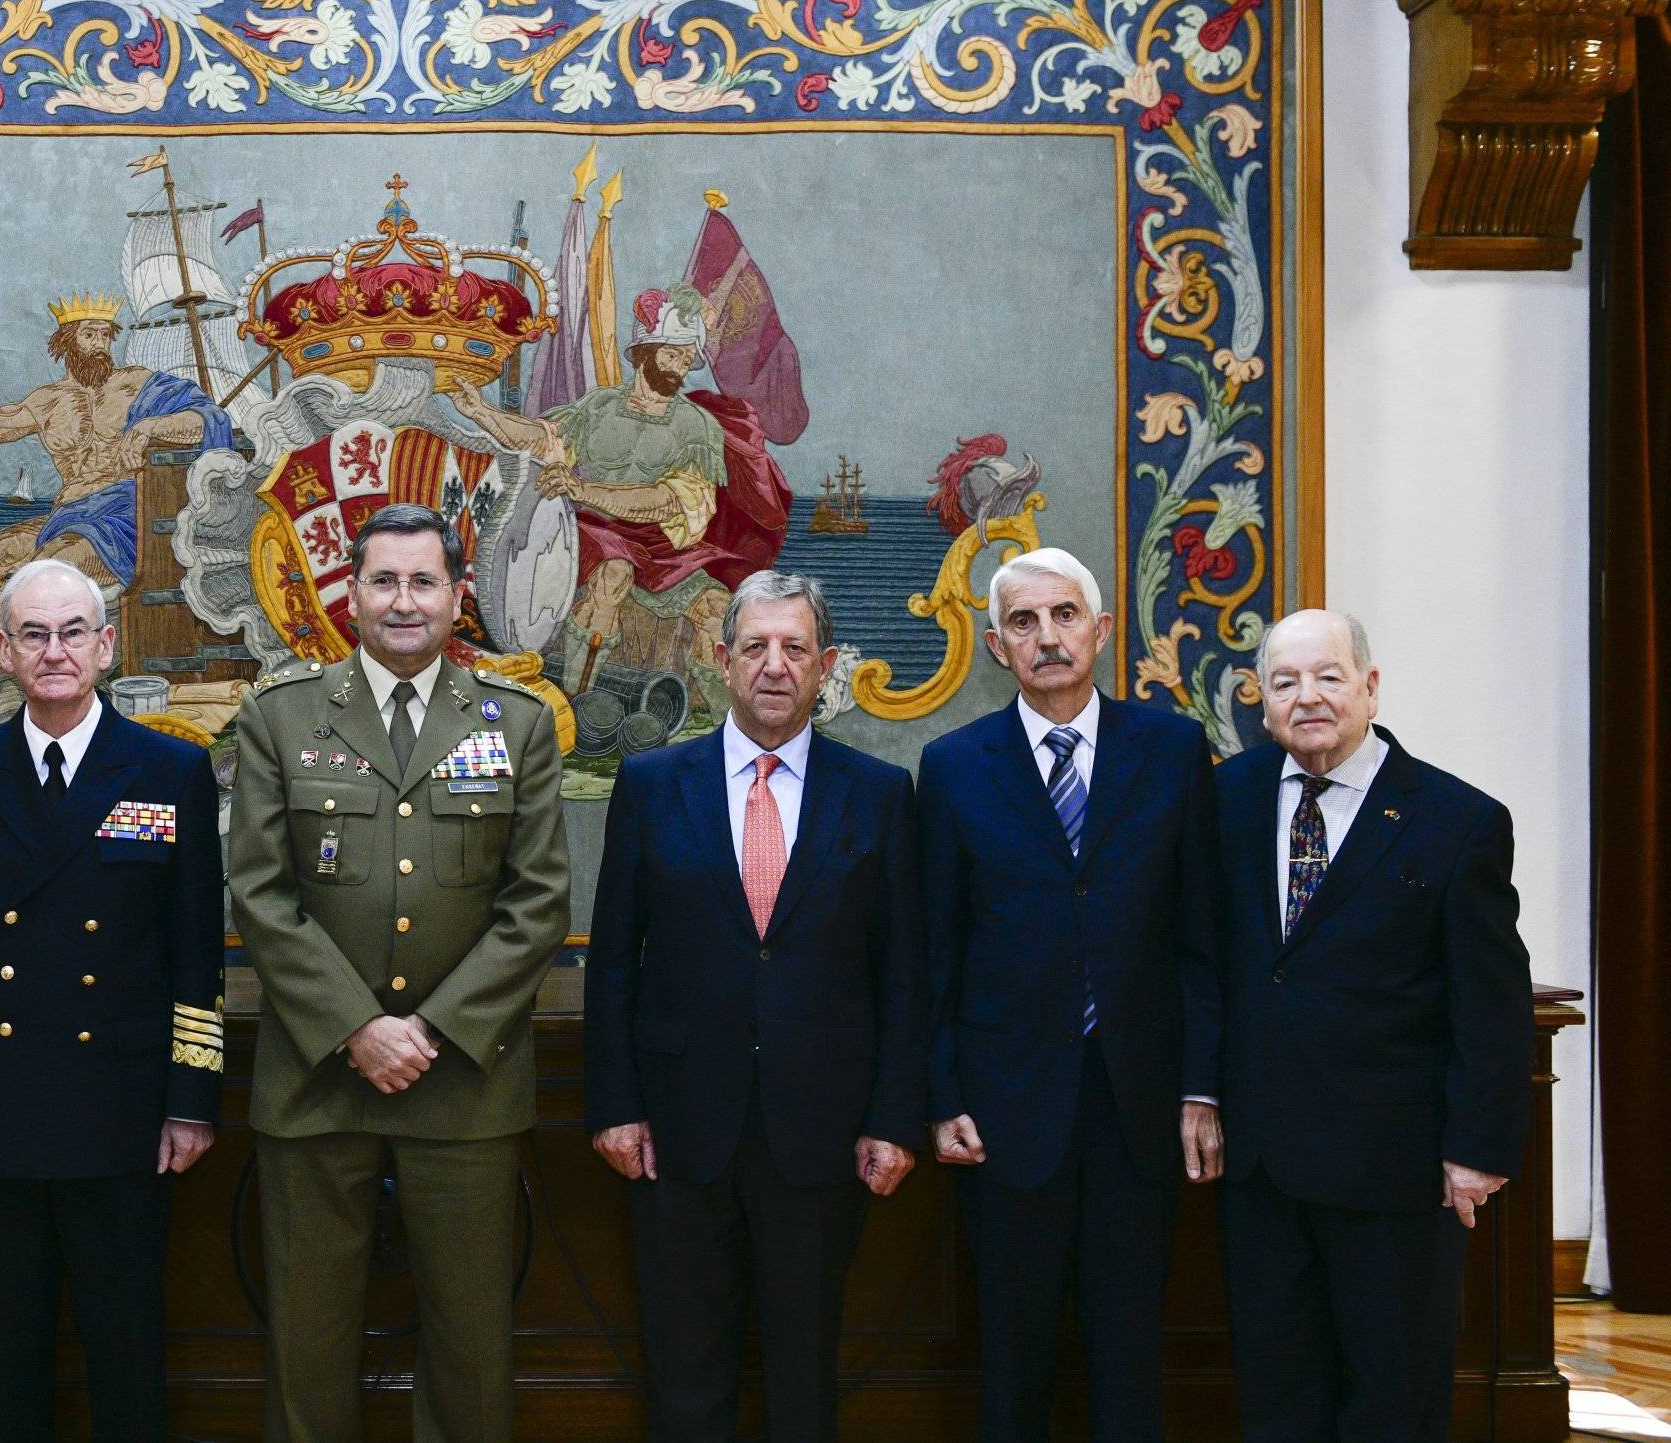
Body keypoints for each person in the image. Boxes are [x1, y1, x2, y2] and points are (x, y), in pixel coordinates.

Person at [227, 502, 572, 1443]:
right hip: (316, 1078)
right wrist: (356, 1026)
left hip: (463, 1080)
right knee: (306, 1342)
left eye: (425, 581)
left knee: (470, 1346)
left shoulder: (520, 723)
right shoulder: (281, 718)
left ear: (459, 596)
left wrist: (428, 1031)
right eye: (384, 580)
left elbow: (538, 902)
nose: (404, 601)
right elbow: (259, 894)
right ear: (353, 593)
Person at [584, 569, 926, 1442]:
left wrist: (894, 1117)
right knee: (685, 1373)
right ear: (719, 659)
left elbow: (903, 974)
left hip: (821, 1133)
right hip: (677, 1128)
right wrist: (616, 1105)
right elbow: (615, 960)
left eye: (796, 648)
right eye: (756, 646)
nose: (775, 665)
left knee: (803, 1374)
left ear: (827, 666)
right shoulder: (654, 783)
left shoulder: (881, 795)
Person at [0, 558, 227, 1440]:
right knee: (1, 1355)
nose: (54, 651)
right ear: (2, 651)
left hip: (121, 1109)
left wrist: (191, 1099)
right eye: (33, 634)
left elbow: (197, 950)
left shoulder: (168, 770)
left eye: (72, 632)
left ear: (106, 646)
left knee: (125, 1354)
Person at [916, 546, 1221, 1443]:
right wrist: (942, 1096)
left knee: (1129, 1348)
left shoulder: (1171, 748)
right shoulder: (956, 764)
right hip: (1005, 1108)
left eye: (1061, 616)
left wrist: (1201, 1084)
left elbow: (1202, 938)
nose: (1045, 637)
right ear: (997, 647)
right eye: (1021, 621)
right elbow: (937, 950)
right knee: (1013, 1350)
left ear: (1098, 629)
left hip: (1138, 1101)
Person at [1216, 609, 1533, 1443]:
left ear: (1370, 684)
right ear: (1262, 700)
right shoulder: (1228, 798)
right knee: (1278, 1398)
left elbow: (1491, 1002)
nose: (1307, 697)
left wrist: (1477, 1148)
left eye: (1327, 675)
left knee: (1393, 1399)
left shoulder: (1457, 819)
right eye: (1285, 682)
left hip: (1395, 1172)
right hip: (1263, 1171)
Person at [0, 293, 234, 736]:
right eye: (89, 334)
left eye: (105, 335)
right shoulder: (47, 402)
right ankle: (30, 659)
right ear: (66, 341)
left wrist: (150, 426)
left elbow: (209, 420)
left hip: (123, 513)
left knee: (45, 570)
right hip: (68, 513)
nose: (99, 344)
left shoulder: (138, 385)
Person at [451, 285, 789, 690]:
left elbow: (664, 503)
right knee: (614, 573)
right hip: (591, 531)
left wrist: (582, 490)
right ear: (645, 353)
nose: (679, 368)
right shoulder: (600, 406)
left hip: (660, 546)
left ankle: (722, 731)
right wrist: (481, 412)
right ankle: (578, 704)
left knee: (718, 609)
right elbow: (541, 439)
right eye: (671, 354)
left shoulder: (697, 427)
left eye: (686, 359)